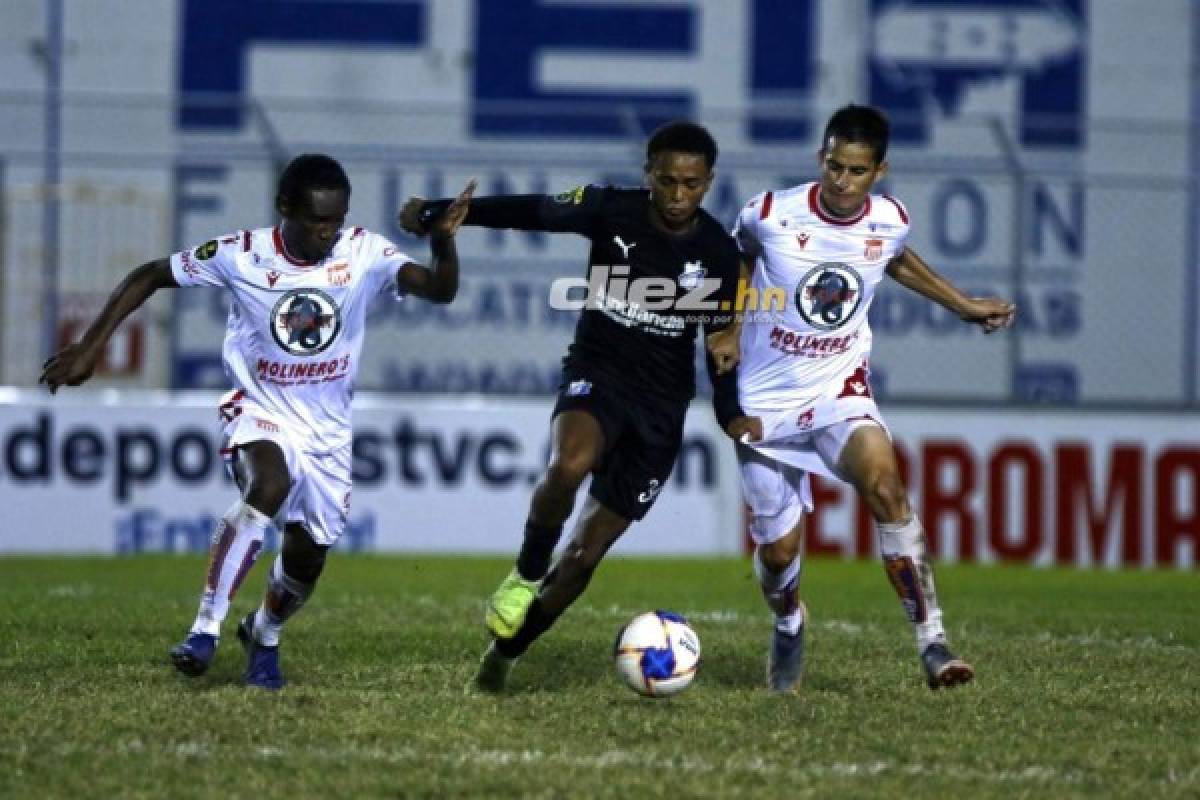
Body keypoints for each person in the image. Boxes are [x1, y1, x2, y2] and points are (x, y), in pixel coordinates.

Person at [40, 154, 476, 690]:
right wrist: (90, 346)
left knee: (306, 561)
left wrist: (444, 240)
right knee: (268, 483)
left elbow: (439, 289)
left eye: (336, 220)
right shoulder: (240, 255)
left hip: (328, 433)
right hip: (259, 408)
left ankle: (263, 633)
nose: (328, 233)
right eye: (318, 221)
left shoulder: (361, 252)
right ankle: (205, 630)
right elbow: (149, 274)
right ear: (284, 208)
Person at [400, 121, 743, 692]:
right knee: (568, 465)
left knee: (584, 554)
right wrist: (443, 210)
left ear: (708, 183)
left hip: (660, 409)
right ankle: (525, 573)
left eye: (692, 184)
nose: (678, 196)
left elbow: (720, 343)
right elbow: (537, 210)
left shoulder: (718, 252)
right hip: (598, 373)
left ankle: (506, 652)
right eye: (667, 181)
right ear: (648, 176)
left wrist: (731, 414)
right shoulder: (611, 209)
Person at [719, 104, 1015, 692]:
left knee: (885, 483)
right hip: (764, 400)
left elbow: (896, 259)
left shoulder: (890, 219)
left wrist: (962, 305)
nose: (842, 181)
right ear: (820, 158)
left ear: (879, 171)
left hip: (838, 388)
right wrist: (727, 325)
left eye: (856, 171)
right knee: (779, 555)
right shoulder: (772, 212)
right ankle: (787, 621)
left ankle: (932, 641)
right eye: (833, 166)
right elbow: (739, 260)